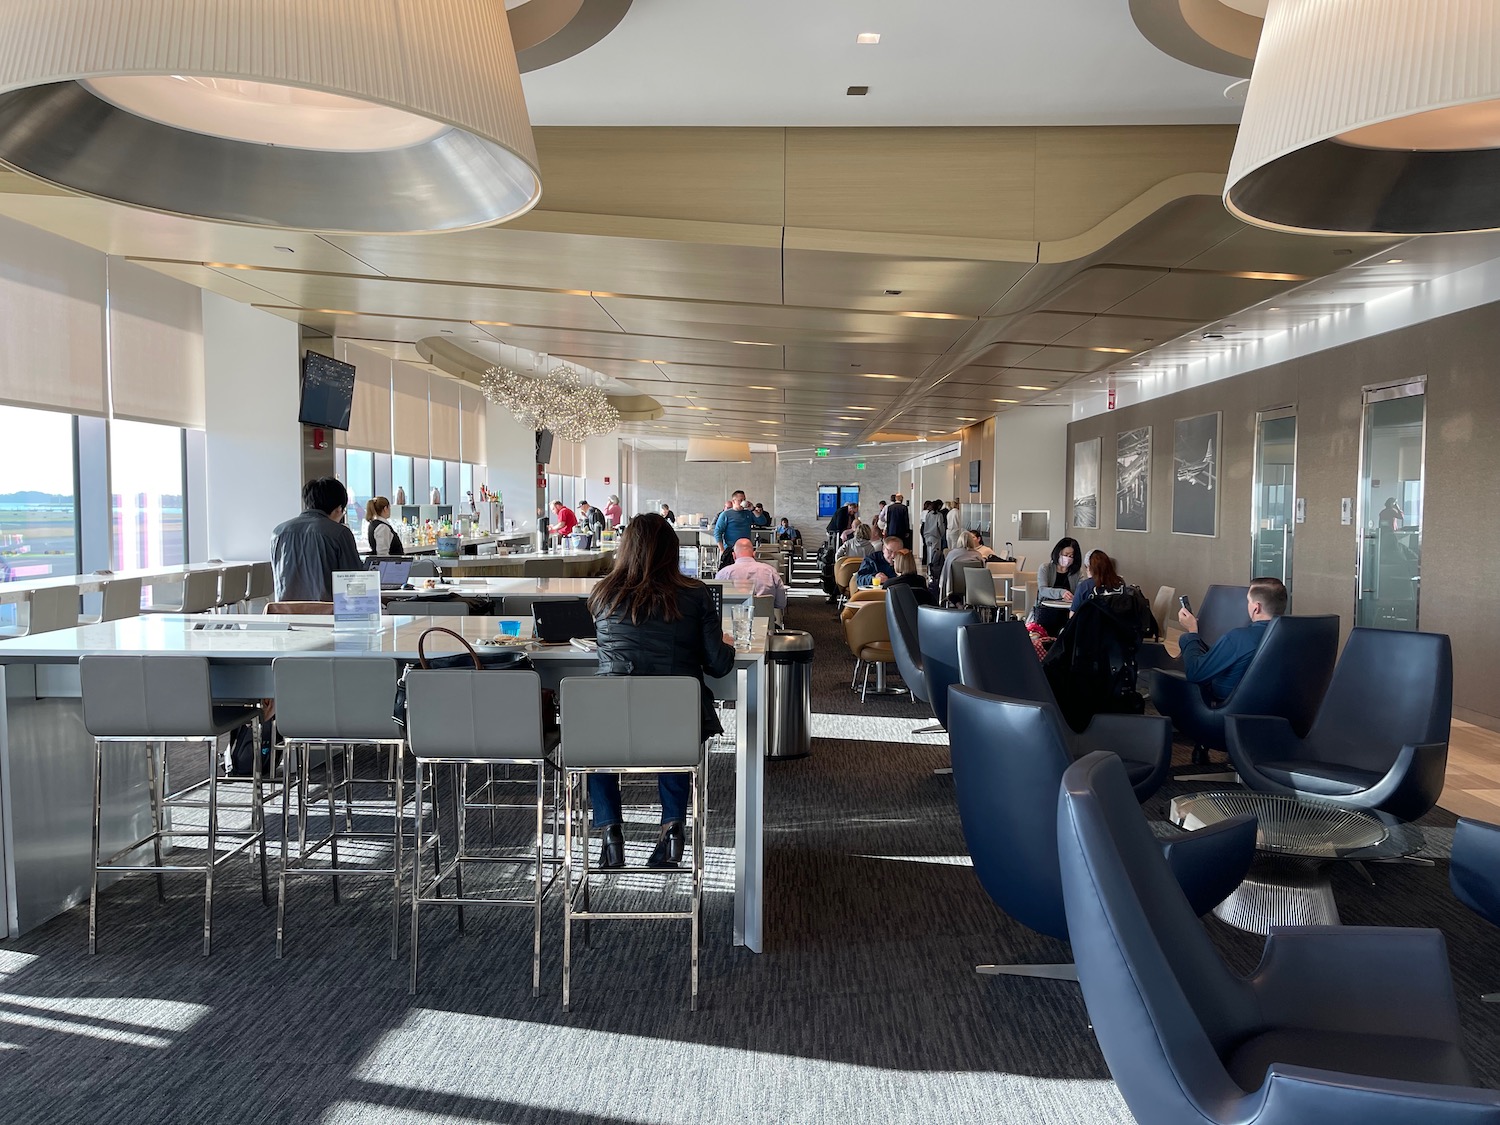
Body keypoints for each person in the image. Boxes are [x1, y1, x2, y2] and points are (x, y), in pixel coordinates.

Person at [588, 513, 736, 869]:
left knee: (592, 743)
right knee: (673, 728)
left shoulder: (602, 593)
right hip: (675, 719)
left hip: (615, 721)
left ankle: (610, 832)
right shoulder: (695, 594)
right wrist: (725, 643)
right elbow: (717, 665)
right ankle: (672, 828)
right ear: (672, 550)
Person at [1176, 577, 1288, 704]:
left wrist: (1192, 631)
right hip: (1276, 709)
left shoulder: (1238, 638)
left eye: (1248, 601)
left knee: (1186, 640)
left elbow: (1195, 674)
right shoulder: (1294, 637)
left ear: (1256, 608)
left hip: (1226, 710)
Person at [270, 477, 363, 601]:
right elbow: (354, 578)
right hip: (328, 614)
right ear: (339, 509)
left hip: (285, 614)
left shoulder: (278, 532)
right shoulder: (339, 533)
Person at [715, 538, 788, 610]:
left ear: (733, 555)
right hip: (766, 619)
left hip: (732, 620)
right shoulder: (770, 571)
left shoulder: (723, 574)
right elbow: (781, 603)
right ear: (754, 554)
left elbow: (716, 604)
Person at [937, 530, 985, 604]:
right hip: (974, 587)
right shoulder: (978, 555)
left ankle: (958, 604)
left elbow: (945, 573)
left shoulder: (952, 554)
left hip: (955, 586)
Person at [712, 489, 753, 569]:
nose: (742, 502)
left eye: (744, 500)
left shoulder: (748, 513)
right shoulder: (726, 514)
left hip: (746, 550)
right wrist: (722, 549)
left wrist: (753, 509)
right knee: (729, 572)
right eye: (740, 500)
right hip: (730, 549)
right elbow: (717, 532)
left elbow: (762, 521)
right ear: (733, 501)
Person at [1037, 538, 1084, 602]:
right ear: (1058, 553)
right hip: (1046, 607)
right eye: (1065, 555)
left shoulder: (1077, 572)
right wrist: (1061, 593)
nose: (1067, 558)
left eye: (1071, 556)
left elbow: (1080, 592)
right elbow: (1043, 590)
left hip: (1068, 608)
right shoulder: (1045, 568)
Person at [921, 500, 946, 569]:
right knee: (935, 554)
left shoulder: (928, 514)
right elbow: (940, 526)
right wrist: (942, 534)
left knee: (929, 553)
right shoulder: (939, 515)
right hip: (936, 536)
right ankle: (933, 568)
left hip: (927, 535)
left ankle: (928, 568)